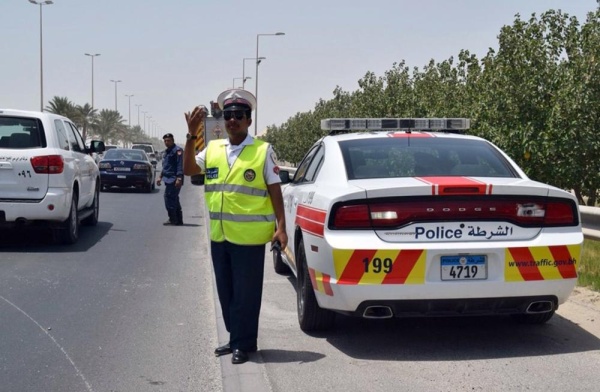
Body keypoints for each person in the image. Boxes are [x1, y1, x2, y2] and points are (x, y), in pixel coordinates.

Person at [183, 89, 288, 365]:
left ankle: (242, 342)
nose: (233, 120)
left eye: (238, 116)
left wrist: (282, 227)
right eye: (228, 115)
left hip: (250, 239)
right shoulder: (214, 148)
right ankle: (238, 338)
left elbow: (275, 191)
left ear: (249, 120)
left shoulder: (262, 151)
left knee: (245, 295)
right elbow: (189, 170)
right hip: (220, 236)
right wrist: (191, 135)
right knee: (226, 293)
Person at [157, 133, 184, 226]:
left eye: (168, 140)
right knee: (174, 199)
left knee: (168, 198)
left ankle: (173, 219)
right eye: (165, 141)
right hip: (167, 178)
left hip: (174, 179)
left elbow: (180, 165)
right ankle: (178, 220)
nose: (166, 142)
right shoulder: (167, 151)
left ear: (173, 140)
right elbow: (165, 166)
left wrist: (179, 178)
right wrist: (160, 177)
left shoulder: (178, 150)